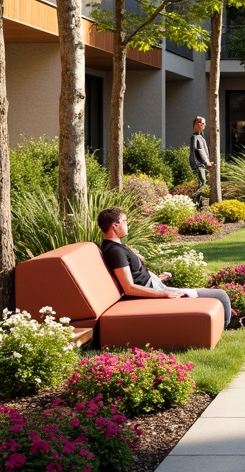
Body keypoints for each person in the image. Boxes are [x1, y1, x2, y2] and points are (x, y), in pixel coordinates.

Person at [97, 207, 231, 326]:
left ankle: (219, 327)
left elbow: (135, 273)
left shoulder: (117, 247)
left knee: (214, 294)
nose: (127, 224)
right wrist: (163, 294)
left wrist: (156, 277)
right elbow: (129, 288)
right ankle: (222, 327)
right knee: (220, 295)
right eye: (125, 221)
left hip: (156, 285)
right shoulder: (116, 252)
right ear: (115, 225)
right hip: (155, 291)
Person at [189, 116, 214, 208]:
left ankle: (200, 205)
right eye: (199, 123)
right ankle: (197, 205)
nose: (202, 125)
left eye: (203, 123)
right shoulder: (195, 137)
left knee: (203, 184)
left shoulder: (201, 137)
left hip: (203, 165)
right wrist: (206, 162)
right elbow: (199, 150)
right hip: (199, 165)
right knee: (202, 185)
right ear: (195, 125)